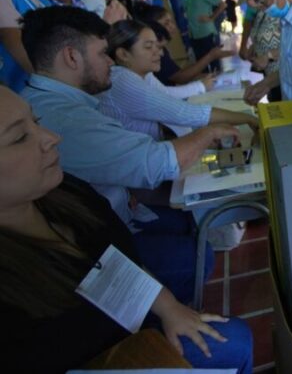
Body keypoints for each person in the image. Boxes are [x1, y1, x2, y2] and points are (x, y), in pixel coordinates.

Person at [0, 85, 254, 374]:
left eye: (37, 123)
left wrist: (167, 306)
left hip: (133, 332)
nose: (52, 138)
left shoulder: (67, 191)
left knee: (234, 339)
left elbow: (112, 261)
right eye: (20, 137)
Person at [19, 6, 240, 303]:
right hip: (99, 247)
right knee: (198, 255)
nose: (110, 61)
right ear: (72, 57)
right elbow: (155, 163)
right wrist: (211, 133)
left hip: (123, 212)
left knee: (190, 224)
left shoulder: (50, 102)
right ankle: (161, 330)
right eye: (101, 53)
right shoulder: (68, 119)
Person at [99, 19, 259, 140]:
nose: (159, 53)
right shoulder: (121, 80)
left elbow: (167, 98)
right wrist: (248, 119)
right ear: (123, 54)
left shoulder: (142, 74)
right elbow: (182, 113)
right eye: (148, 47)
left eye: (158, 46)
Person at [131, 2, 231, 89]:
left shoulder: (162, 49)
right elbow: (180, 78)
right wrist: (211, 56)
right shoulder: (155, 52)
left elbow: (179, 76)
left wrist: (211, 76)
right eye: (166, 23)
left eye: (171, 21)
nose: (172, 26)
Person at [183, 0, 226, 72]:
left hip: (206, 33)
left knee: (214, 63)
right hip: (194, 34)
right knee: (200, 64)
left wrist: (212, 18)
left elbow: (222, 5)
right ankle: (205, 85)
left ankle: (219, 85)